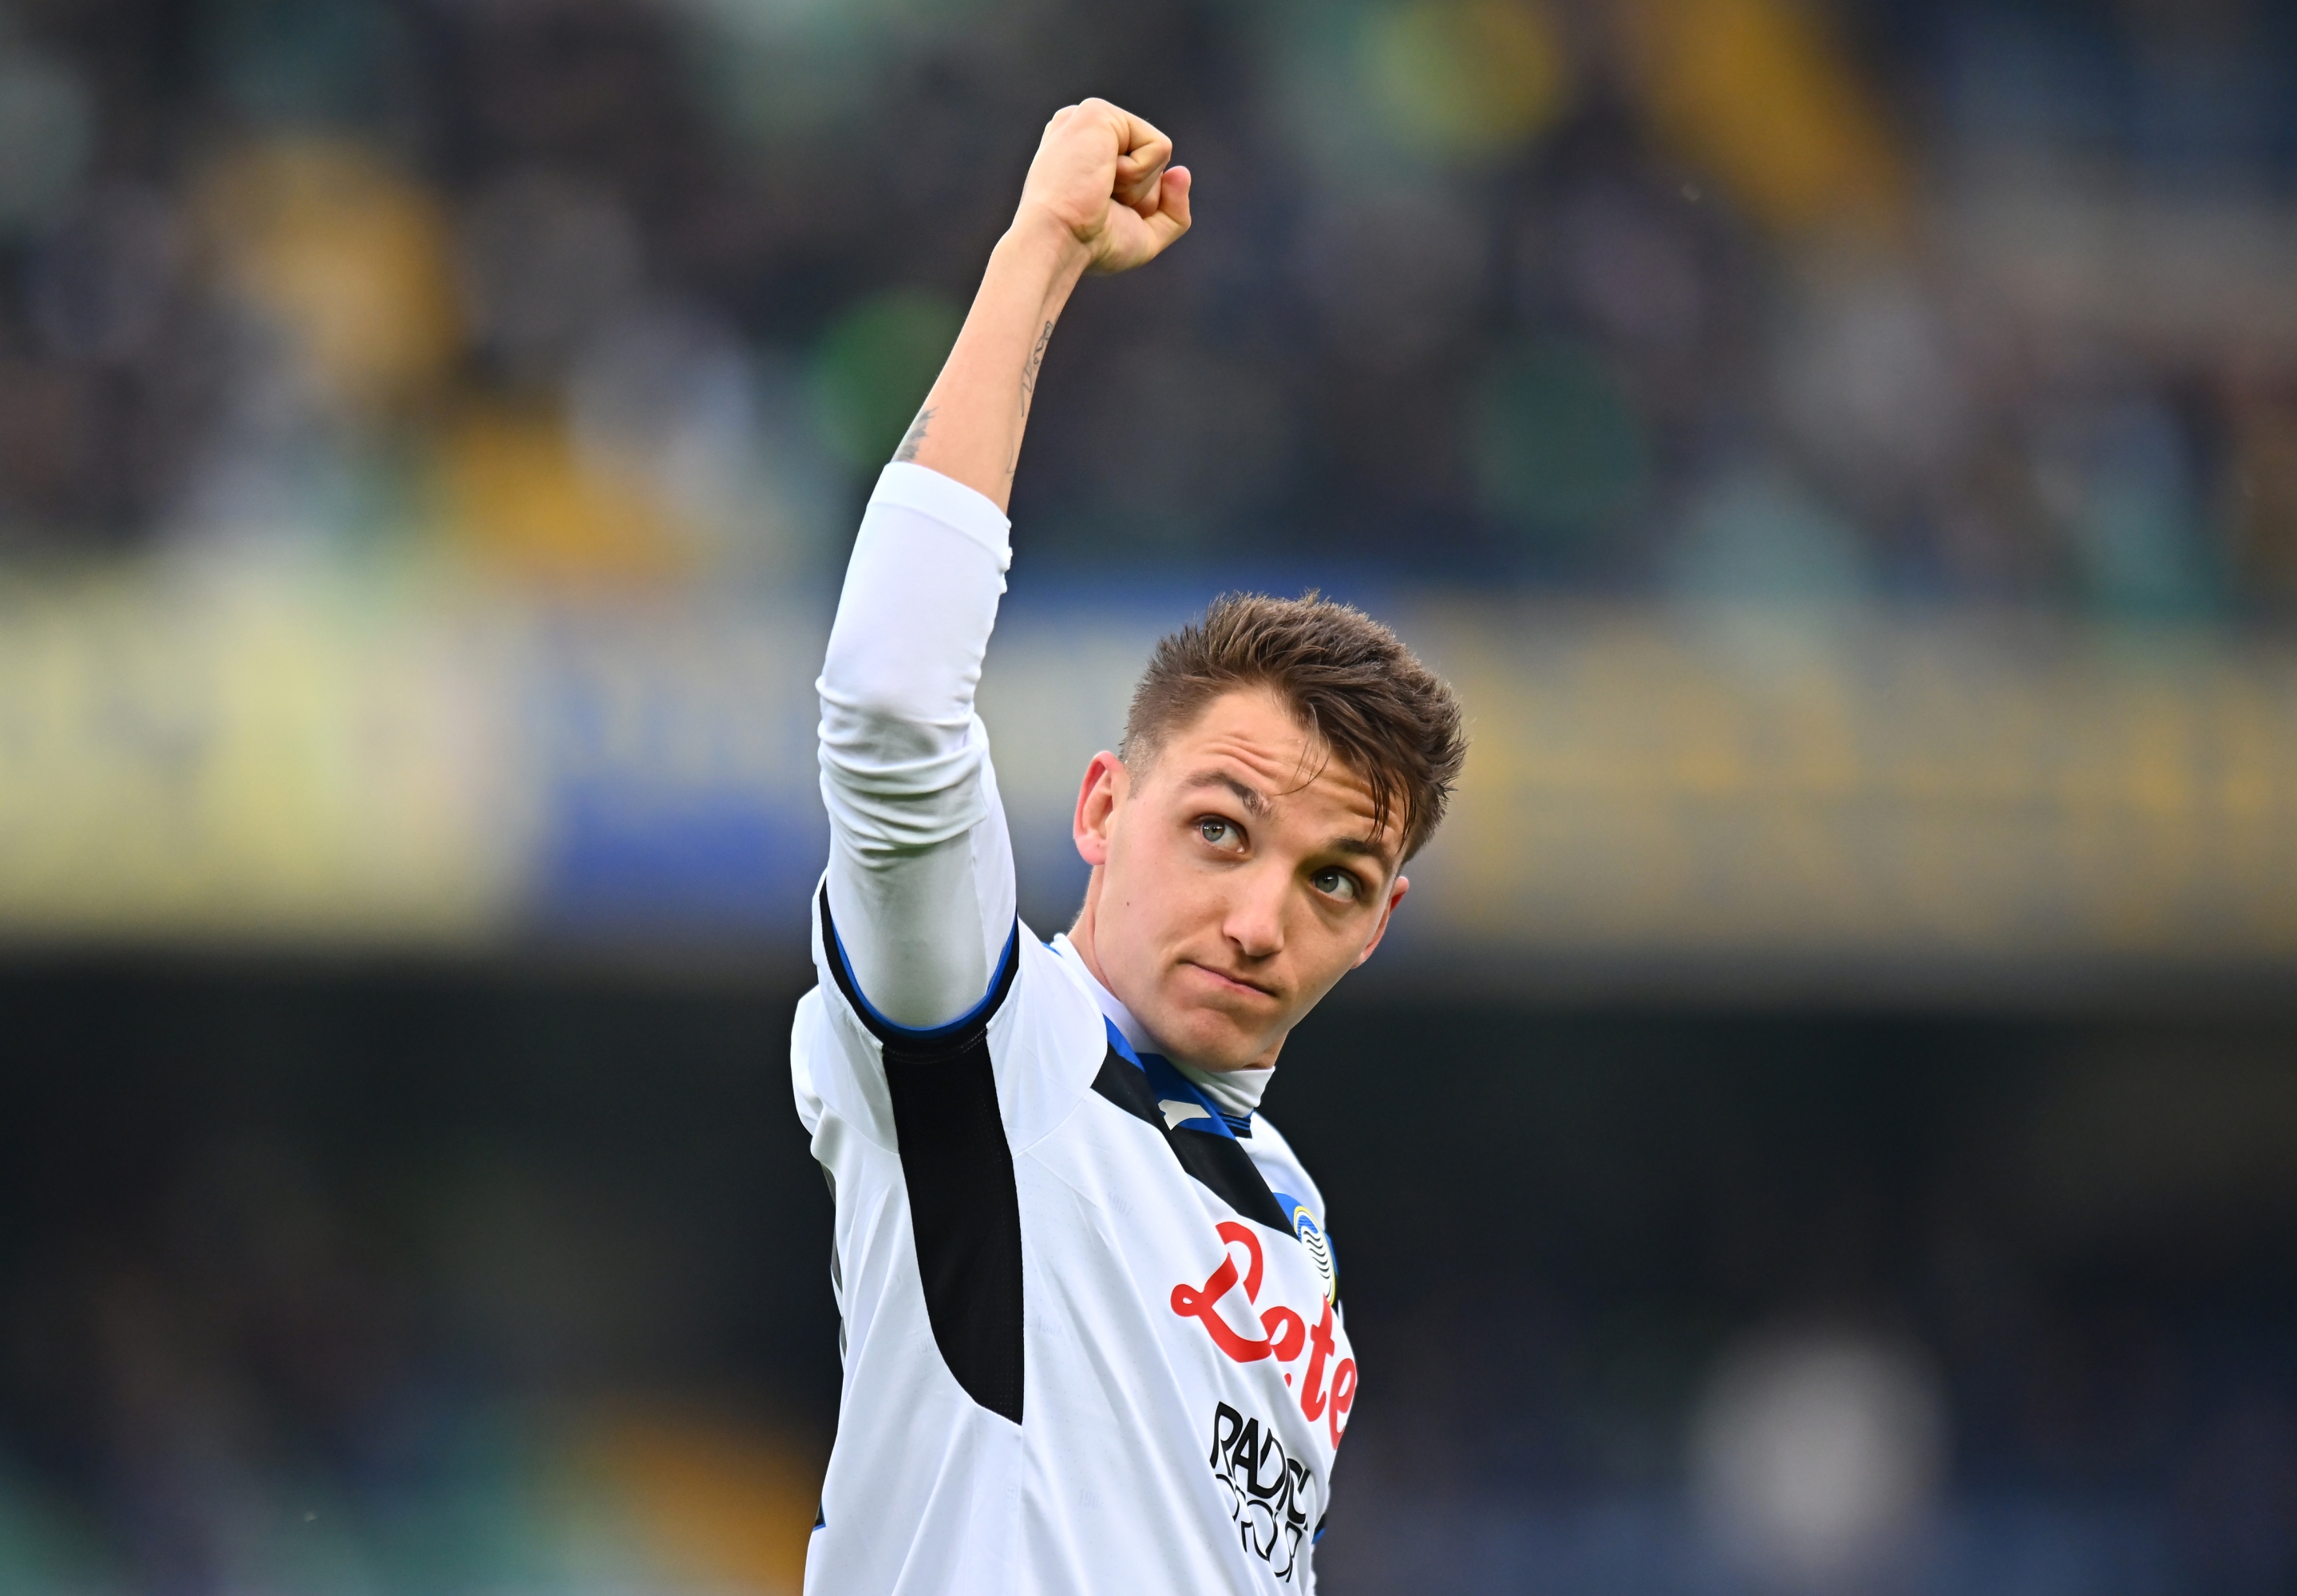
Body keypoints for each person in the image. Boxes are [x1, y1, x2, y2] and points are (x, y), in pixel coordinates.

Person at [791, 99, 1467, 1594]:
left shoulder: (1285, 1208)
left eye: (1330, 881)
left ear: (1379, 923)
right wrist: (1039, 255)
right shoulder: (986, 1060)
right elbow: (893, 709)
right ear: (1101, 809)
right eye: (1218, 830)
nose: (1255, 918)